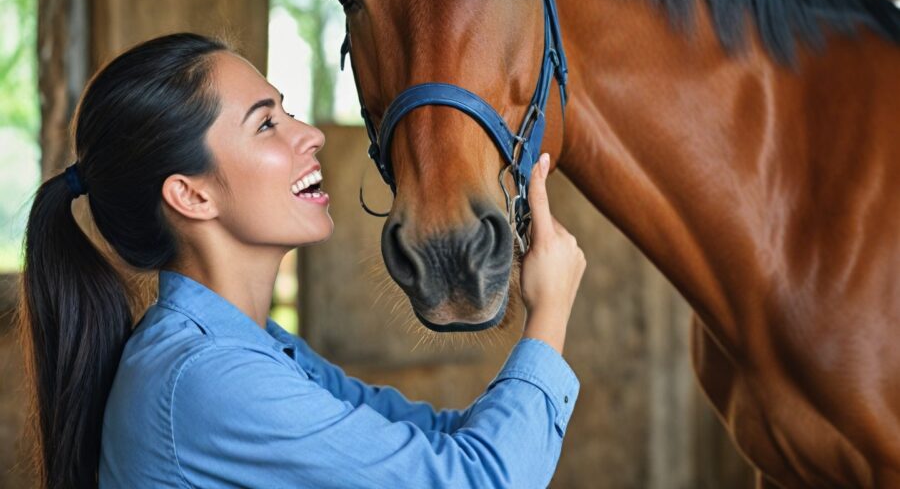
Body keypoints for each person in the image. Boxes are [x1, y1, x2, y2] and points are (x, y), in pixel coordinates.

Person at [19, 32, 586, 489]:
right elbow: (478, 478)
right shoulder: (209, 379)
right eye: (266, 123)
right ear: (191, 196)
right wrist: (549, 315)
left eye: (286, 112)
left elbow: (436, 444)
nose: (311, 135)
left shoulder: (254, 349)